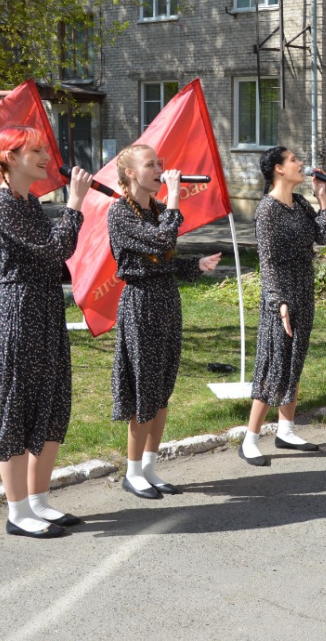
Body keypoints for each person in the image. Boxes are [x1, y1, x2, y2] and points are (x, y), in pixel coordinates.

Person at [0, 126, 93, 538]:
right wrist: (76, 204)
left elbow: (53, 256)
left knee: (51, 403)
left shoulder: (28, 202)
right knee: (15, 407)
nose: (46, 156)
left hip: (45, 311)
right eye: (36, 150)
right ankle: (17, 511)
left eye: (45, 149)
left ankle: (38, 500)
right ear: (9, 157)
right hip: (18, 314)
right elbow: (52, 250)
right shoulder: (0, 205)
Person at [108, 144, 221, 497]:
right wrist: (174, 199)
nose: (160, 169)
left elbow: (164, 260)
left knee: (161, 388)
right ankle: (132, 471)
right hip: (140, 303)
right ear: (131, 173)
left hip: (166, 301)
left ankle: (150, 467)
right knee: (144, 387)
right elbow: (161, 241)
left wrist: (194, 266)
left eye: (161, 163)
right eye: (151, 165)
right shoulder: (119, 213)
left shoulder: (157, 209)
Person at [238, 147, 326, 466]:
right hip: (279, 294)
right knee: (272, 364)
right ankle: (250, 439)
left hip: (303, 289)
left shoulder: (299, 203)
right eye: (294, 160)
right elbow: (266, 262)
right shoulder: (267, 210)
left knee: (294, 360)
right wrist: (278, 302)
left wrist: (322, 198)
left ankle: (286, 430)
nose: (300, 164)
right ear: (279, 169)